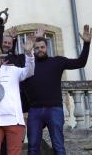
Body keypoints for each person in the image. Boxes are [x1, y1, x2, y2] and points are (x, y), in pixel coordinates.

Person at [24, 25, 91, 155]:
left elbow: (80, 63)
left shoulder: (57, 61)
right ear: (33, 49)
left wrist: (87, 43)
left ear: (47, 47)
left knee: (58, 146)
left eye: (42, 47)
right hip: (35, 111)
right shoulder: (28, 64)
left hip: (54, 109)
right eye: (36, 48)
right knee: (32, 148)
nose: (39, 50)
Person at [0, 41, 35, 155]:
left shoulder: (13, 70)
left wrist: (28, 53)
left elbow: (29, 71)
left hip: (14, 120)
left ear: (2, 59)